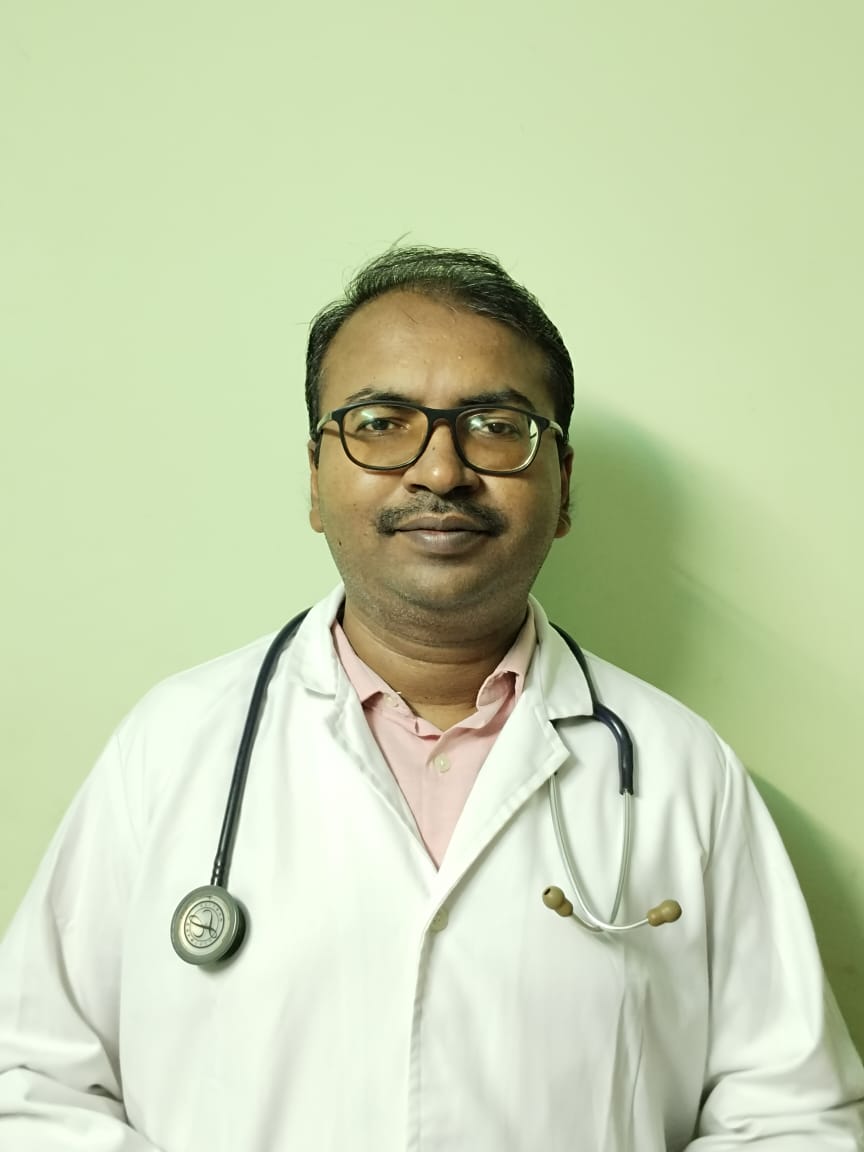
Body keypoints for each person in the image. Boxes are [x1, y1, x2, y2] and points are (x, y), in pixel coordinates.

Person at [0, 246, 862, 1151]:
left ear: (564, 484)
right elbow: (28, 1084)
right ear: (315, 478)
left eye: (494, 425)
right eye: (381, 423)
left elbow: (792, 1119)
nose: (441, 472)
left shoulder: (682, 768)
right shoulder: (173, 743)